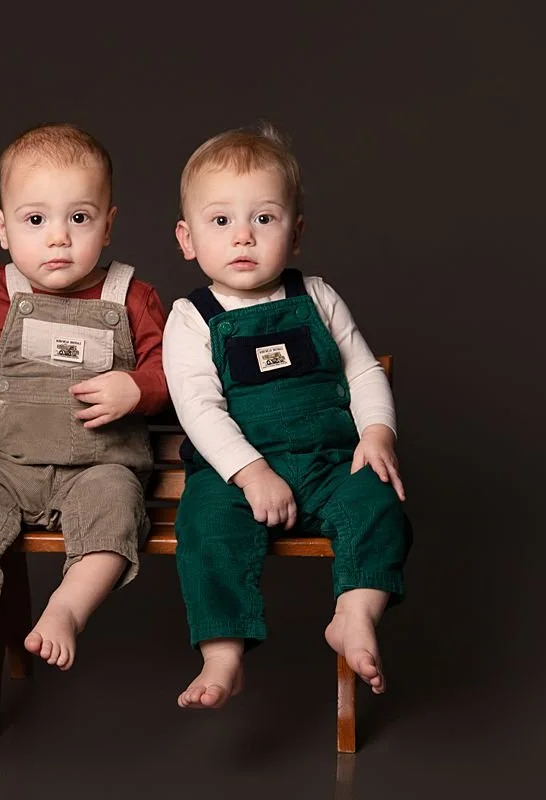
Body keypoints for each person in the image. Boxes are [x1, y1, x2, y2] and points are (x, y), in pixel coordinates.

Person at [0, 123, 168, 670]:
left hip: (99, 466)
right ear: (3, 227)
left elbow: (174, 371)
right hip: (10, 467)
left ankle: (67, 606)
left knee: (117, 504)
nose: (58, 237)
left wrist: (136, 386)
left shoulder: (133, 296)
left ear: (108, 226)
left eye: (80, 218)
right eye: (36, 220)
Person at [162, 123, 412, 708]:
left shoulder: (317, 297)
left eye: (265, 219)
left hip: (328, 462)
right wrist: (250, 473)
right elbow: (198, 408)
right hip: (237, 474)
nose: (243, 236)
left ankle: (354, 614)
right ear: (187, 238)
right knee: (203, 530)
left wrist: (376, 432)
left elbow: (362, 371)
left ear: (296, 232)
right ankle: (222, 654)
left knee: (378, 504)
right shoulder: (191, 318)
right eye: (221, 221)